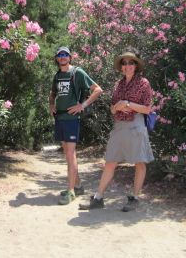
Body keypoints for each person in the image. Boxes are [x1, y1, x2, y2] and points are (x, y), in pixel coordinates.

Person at [79, 48, 153, 212]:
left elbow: (147, 109)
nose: (127, 66)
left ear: (136, 65)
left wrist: (126, 104)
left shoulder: (143, 83)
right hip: (119, 126)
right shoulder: (118, 85)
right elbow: (112, 108)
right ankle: (98, 198)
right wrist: (116, 107)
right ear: (121, 67)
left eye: (131, 63)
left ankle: (134, 197)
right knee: (110, 162)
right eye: (124, 63)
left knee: (139, 162)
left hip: (136, 125)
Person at [49, 46, 103, 205]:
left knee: (71, 154)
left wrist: (82, 105)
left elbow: (98, 90)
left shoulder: (77, 73)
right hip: (60, 118)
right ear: (57, 58)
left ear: (70, 57)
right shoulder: (57, 76)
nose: (63, 57)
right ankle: (77, 186)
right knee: (67, 153)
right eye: (60, 55)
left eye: (65, 54)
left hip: (72, 119)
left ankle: (71, 191)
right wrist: (51, 105)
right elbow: (52, 94)